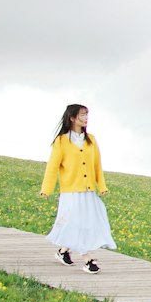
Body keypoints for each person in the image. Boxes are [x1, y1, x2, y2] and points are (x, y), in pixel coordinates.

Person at [40, 103, 115, 273]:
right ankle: (88, 259)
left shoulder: (92, 140)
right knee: (76, 222)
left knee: (85, 223)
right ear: (72, 118)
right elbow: (52, 167)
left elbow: (97, 165)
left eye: (87, 114)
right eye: (82, 115)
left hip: (88, 191)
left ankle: (63, 251)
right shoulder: (61, 141)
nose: (86, 118)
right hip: (71, 192)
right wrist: (47, 189)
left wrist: (102, 186)